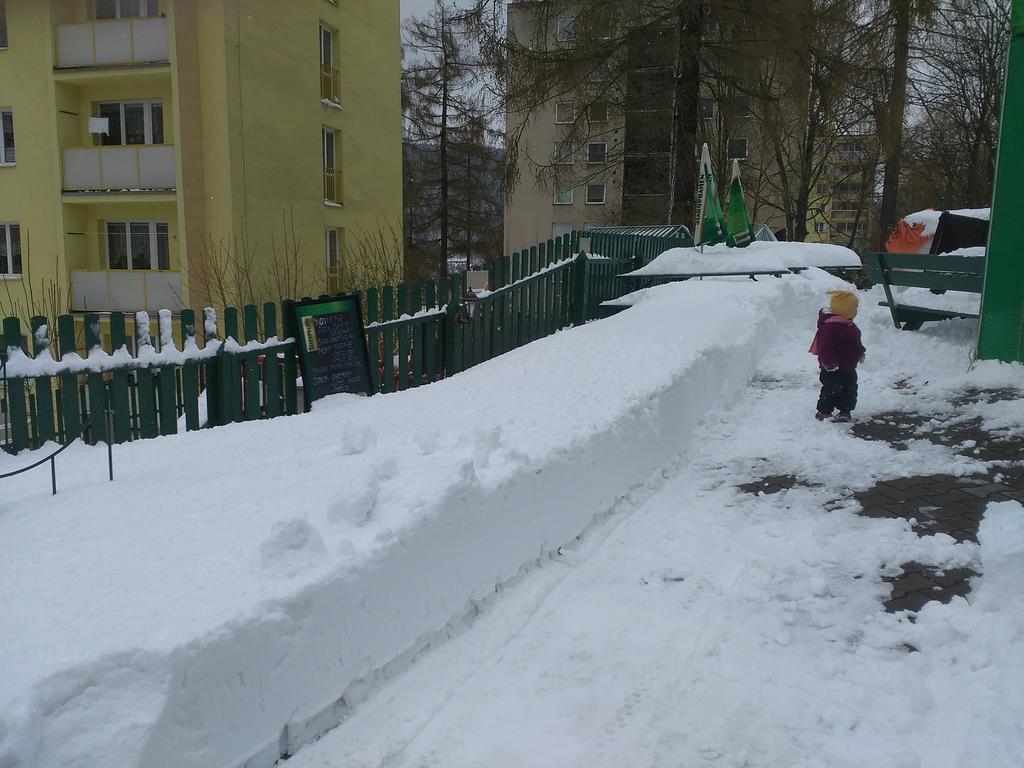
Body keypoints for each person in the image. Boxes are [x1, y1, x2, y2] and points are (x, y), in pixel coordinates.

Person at [809, 289, 866, 422]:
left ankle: (845, 411)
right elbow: (825, 348)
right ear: (844, 309)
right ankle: (823, 411)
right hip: (833, 369)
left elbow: (855, 343)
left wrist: (861, 351)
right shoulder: (831, 327)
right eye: (853, 308)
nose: (856, 311)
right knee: (831, 389)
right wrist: (829, 363)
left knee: (850, 389)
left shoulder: (849, 325)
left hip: (849, 366)